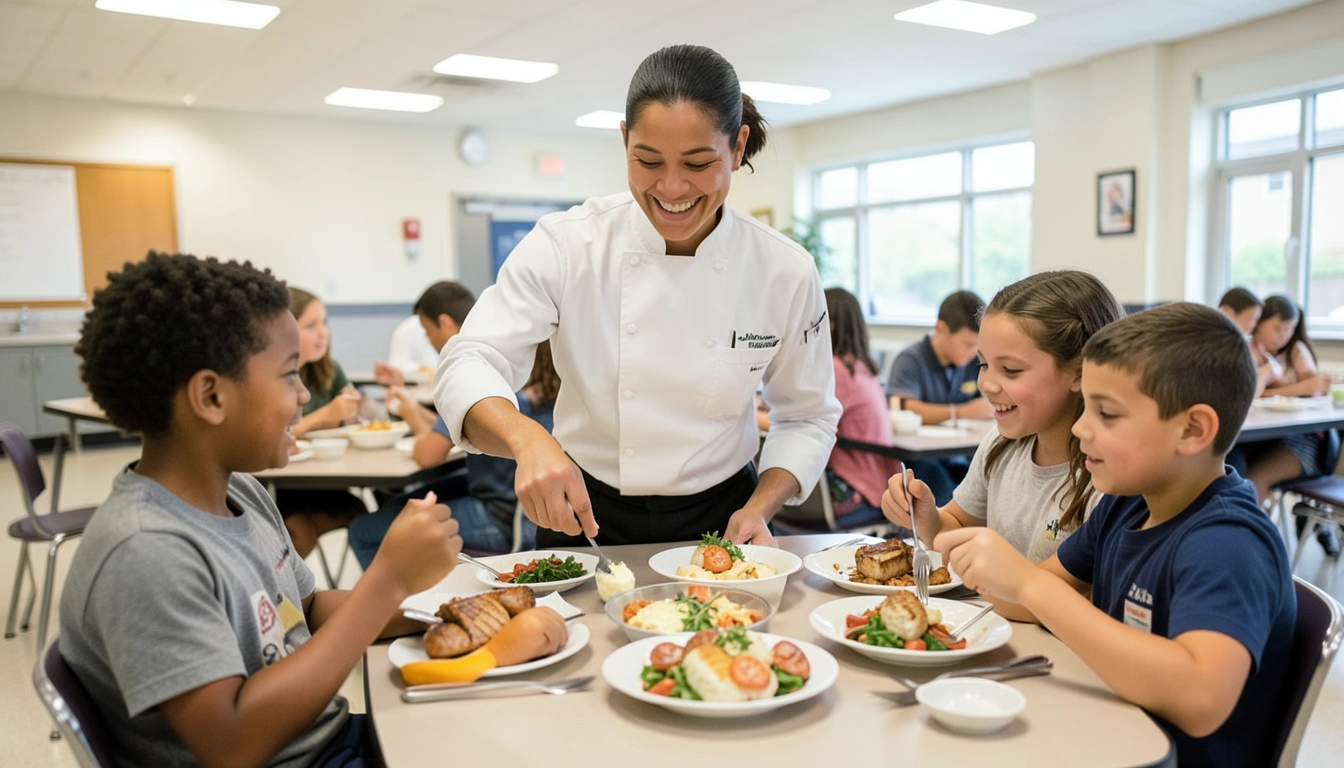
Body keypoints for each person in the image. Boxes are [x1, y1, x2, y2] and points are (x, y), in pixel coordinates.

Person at [61, 252, 464, 767]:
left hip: (326, 743)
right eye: (289, 375)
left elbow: (310, 610)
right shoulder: (146, 549)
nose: (302, 396)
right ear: (210, 395)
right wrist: (386, 580)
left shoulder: (242, 493)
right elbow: (233, 745)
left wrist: (444, 613)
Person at [434, 44, 841, 548]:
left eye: (697, 163)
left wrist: (761, 507)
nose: (672, 187)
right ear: (624, 140)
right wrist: (527, 438)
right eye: (647, 161)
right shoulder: (568, 244)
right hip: (581, 513)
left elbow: (807, 416)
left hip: (726, 517)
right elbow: (469, 359)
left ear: (737, 148)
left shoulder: (784, 269)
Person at [934, 302, 1295, 768]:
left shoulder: (1228, 542)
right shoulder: (1129, 504)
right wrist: (992, 571)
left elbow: (1202, 699)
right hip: (1101, 730)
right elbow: (1036, 598)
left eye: (1106, 414)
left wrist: (1027, 583)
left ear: (1192, 429)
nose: (1081, 428)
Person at [882, 270, 1125, 563]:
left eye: (1010, 370)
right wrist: (927, 518)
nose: (985, 384)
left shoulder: (1106, 478)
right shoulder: (1000, 445)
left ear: (1079, 371)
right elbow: (955, 526)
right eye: (983, 364)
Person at [277, 286, 370, 559]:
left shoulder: (327, 369)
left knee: (370, 511)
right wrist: (324, 416)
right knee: (299, 531)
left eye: (325, 323)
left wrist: (355, 409)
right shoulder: (272, 376)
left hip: (327, 483)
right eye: (311, 326)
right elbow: (270, 437)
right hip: (282, 487)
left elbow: (359, 412)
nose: (323, 333)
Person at [1242, 295, 1338, 555]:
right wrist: (1294, 387)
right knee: (1236, 468)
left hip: (1302, 440)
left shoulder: (1296, 350)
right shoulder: (1247, 348)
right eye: (1278, 328)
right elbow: (1248, 393)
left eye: (1290, 329)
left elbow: (1315, 388)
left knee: (1253, 479)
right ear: (1259, 323)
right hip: (1260, 438)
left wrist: (1277, 387)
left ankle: (1248, 550)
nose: (1284, 335)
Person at [886, 289, 990, 504]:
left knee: (984, 489)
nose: (973, 352)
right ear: (940, 329)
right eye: (968, 344)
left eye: (977, 346)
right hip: (921, 460)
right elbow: (903, 407)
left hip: (960, 453)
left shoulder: (973, 362)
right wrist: (962, 412)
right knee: (945, 495)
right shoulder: (911, 360)